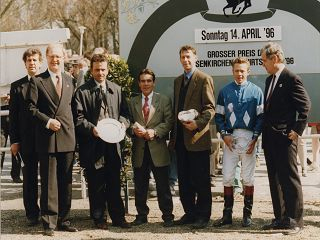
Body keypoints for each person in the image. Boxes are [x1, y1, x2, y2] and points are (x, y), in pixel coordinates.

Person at [72, 53, 130, 230]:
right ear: (91, 70)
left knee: (114, 181)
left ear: (108, 69)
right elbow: (78, 118)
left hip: (113, 146)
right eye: (97, 70)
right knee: (96, 184)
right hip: (93, 145)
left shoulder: (117, 89)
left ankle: (118, 217)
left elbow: (126, 114)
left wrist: (123, 123)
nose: (100, 73)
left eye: (103, 69)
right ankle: (99, 218)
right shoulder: (82, 92)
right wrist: (92, 129)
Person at [27, 43, 78, 236]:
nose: (55, 60)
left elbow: (74, 110)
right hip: (47, 137)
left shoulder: (70, 80)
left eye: (58, 56)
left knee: (66, 182)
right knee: (49, 183)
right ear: (46, 58)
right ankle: (49, 222)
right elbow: (31, 109)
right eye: (52, 56)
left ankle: (64, 219)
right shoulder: (37, 81)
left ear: (63, 58)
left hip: (67, 137)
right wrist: (48, 122)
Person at [260, 42, 311, 235]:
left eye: (264, 60)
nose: (262, 64)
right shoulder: (269, 80)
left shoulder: (291, 79)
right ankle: (281, 218)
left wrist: (297, 130)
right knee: (275, 180)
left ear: (275, 58)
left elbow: (305, 107)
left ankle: (295, 220)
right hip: (270, 138)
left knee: (289, 179)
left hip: (285, 138)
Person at [214, 57, 264, 227]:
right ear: (232, 71)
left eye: (243, 70)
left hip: (249, 137)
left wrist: (255, 137)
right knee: (227, 176)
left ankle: (247, 214)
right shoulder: (225, 91)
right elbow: (219, 116)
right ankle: (227, 215)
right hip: (231, 138)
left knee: (247, 178)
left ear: (248, 71)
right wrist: (224, 134)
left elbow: (260, 117)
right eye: (237, 70)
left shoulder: (256, 91)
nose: (240, 74)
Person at [170, 45, 215, 229]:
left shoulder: (204, 79)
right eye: (182, 57)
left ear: (195, 58)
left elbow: (210, 109)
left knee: (201, 181)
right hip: (180, 139)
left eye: (188, 57)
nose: (185, 60)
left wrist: (197, 123)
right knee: (184, 180)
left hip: (197, 139)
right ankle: (190, 213)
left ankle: (203, 216)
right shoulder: (177, 81)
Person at [128, 68, 174, 227]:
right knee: (140, 185)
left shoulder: (164, 100)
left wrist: (154, 132)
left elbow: (169, 122)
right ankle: (141, 215)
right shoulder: (132, 101)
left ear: (154, 83)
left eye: (149, 81)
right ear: (139, 83)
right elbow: (127, 122)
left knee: (163, 185)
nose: (146, 84)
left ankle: (167, 215)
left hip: (158, 148)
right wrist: (133, 129)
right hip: (139, 149)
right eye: (142, 81)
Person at [9, 48, 43, 225]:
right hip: (26, 141)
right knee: (29, 178)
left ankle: (48, 212)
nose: (32, 63)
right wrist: (14, 140)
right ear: (25, 63)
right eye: (29, 60)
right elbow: (13, 117)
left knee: (47, 178)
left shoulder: (47, 82)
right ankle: (31, 213)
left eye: (35, 60)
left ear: (40, 62)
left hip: (46, 139)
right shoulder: (17, 86)